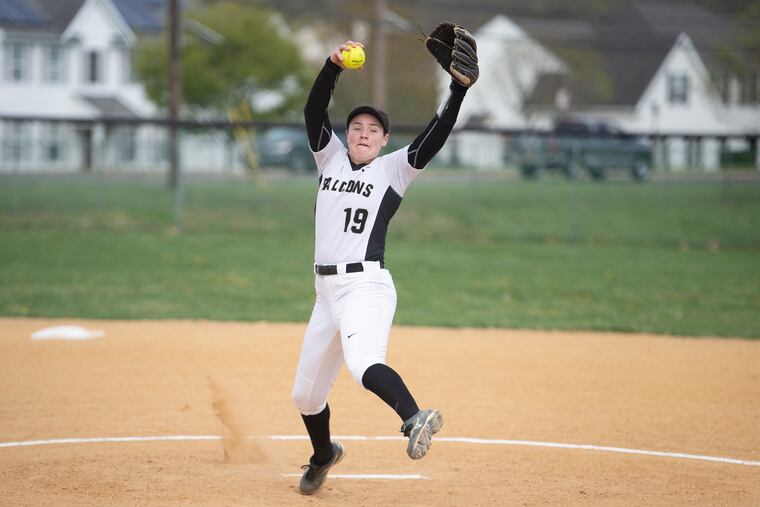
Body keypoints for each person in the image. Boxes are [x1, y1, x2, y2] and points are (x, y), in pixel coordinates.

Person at [291, 39, 473, 495]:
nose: (364, 132)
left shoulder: (393, 170)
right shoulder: (328, 158)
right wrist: (332, 66)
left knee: (364, 363)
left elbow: (435, 135)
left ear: (385, 139)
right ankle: (323, 455)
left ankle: (414, 418)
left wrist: (458, 90)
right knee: (305, 396)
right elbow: (314, 113)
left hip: (365, 286)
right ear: (346, 135)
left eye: (374, 128)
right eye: (356, 126)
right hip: (325, 293)